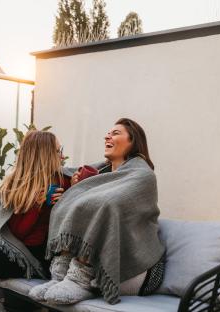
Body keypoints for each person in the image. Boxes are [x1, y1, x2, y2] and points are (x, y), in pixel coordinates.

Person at [28, 118, 166, 305]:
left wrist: (80, 195)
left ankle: (80, 279)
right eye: (108, 133)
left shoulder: (142, 175)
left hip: (141, 269)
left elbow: (108, 205)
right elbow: (70, 186)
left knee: (95, 204)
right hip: (98, 264)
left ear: (133, 141)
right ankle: (60, 277)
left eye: (116, 133)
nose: (107, 136)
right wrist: (75, 189)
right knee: (69, 201)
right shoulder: (100, 174)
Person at [0, 130, 68, 311]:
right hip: (21, 250)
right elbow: (16, 234)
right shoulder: (15, 184)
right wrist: (37, 206)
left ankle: (17, 301)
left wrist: (72, 190)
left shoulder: (63, 179)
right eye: (57, 151)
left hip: (49, 255)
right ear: (43, 155)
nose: (62, 156)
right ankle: (18, 301)